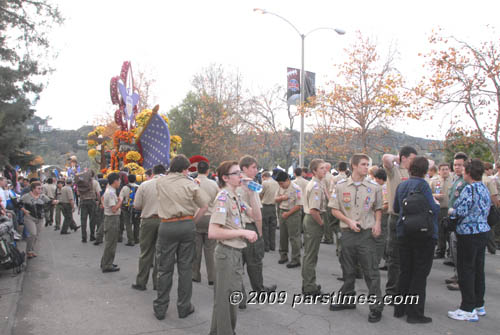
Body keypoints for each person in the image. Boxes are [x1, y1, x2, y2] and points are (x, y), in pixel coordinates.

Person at [153, 154, 209, 320]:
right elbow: (205, 205)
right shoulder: (190, 183)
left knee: (164, 268)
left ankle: (160, 308)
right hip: (186, 225)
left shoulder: (160, 181)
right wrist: (193, 221)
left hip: (167, 225)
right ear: (185, 169)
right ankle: (184, 307)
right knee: (185, 269)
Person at [329, 154, 384, 323]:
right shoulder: (340, 186)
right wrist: (348, 221)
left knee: (371, 271)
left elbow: (378, 207)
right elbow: (334, 209)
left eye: (368, 164)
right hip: (348, 234)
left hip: (366, 234)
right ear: (353, 165)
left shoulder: (374, 187)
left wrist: (378, 224)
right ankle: (347, 299)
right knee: (348, 269)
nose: (366, 167)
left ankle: (376, 307)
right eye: (362, 164)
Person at [207, 161, 259, 335]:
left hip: (235, 253)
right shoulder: (223, 197)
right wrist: (243, 232)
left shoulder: (236, 196)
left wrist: (251, 194)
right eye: (236, 173)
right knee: (225, 300)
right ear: (225, 178)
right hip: (226, 253)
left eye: (240, 173)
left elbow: (255, 215)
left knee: (231, 298)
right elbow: (213, 232)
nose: (241, 176)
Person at [393, 156, 440, 324]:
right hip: (423, 235)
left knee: (405, 271)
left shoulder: (402, 185)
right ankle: (415, 313)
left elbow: (396, 208)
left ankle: (400, 308)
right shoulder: (424, 186)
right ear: (425, 171)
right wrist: (436, 203)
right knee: (420, 273)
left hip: (404, 232)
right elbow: (433, 209)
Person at [447, 159, 491, 321]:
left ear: (469, 173)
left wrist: (451, 211)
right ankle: (479, 304)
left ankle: (467, 308)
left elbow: (460, 211)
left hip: (468, 233)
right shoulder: (484, 188)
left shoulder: (469, 189)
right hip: (482, 231)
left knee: (466, 270)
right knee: (479, 269)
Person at [236, 155, 276, 309]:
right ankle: (258, 291)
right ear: (244, 168)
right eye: (253, 167)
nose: (255, 170)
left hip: (237, 228)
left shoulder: (235, 183)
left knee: (239, 264)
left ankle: (240, 297)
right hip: (249, 226)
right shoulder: (251, 185)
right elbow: (257, 214)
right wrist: (259, 234)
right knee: (254, 262)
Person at [382, 146, 417, 297]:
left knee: (409, 257)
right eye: (412, 159)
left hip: (412, 219)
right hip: (396, 217)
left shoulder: (414, 173)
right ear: (403, 158)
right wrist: (399, 158)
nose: (414, 162)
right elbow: (386, 158)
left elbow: (430, 163)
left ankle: (405, 290)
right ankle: (392, 291)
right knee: (394, 257)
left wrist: (412, 161)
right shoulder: (394, 171)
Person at [132, 164, 165, 291]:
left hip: (148, 220)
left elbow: (137, 205)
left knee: (145, 252)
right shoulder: (168, 185)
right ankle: (158, 283)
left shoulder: (144, 185)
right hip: (164, 220)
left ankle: (141, 282)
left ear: (152, 173)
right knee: (160, 253)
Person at [301, 158, 328, 295]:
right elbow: (313, 210)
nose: (325, 170)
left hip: (311, 219)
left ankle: (308, 284)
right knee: (310, 256)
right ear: (314, 171)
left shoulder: (318, 183)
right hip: (313, 220)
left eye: (325, 167)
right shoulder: (316, 186)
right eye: (321, 168)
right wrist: (322, 224)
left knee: (310, 255)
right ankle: (309, 287)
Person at [192, 161, 219, 285]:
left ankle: (195, 274)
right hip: (210, 218)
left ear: (197, 170)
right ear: (208, 171)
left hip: (196, 217)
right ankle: (212, 277)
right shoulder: (213, 184)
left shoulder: (192, 183)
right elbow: (218, 200)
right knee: (210, 249)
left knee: (196, 249)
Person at [446, 152, 469, 290]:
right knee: (454, 250)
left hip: (461, 219)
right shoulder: (455, 179)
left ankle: (462, 278)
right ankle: (457, 273)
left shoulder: (466, 181)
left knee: (460, 250)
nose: (457, 167)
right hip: (452, 218)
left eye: (460, 165)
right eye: (455, 165)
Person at [19, 181, 58, 258]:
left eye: (41, 188)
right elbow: (18, 204)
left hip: (40, 218)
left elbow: (50, 201)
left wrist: (55, 202)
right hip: (30, 218)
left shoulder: (42, 196)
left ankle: (31, 250)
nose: (40, 190)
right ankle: (28, 251)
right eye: (38, 188)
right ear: (33, 189)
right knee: (32, 233)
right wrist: (24, 210)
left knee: (36, 235)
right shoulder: (26, 196)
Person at [275, 170, 303, 268]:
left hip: (293, 214)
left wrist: (288, 214)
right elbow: (275, 199)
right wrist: (282, 198)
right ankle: (283, 256)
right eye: (279, 184)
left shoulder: (296, 188)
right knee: (282, 236)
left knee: (294, 238)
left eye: (282, 183)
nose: (281, 185)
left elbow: (299, 205)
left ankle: (295, 259)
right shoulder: (279, 187)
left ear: (287, 180)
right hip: (282, 212)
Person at [100, 172, 123, 273]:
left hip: (109, 218)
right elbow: (114, 209)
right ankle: (107, 265)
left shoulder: (109, 191)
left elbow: (102, 199)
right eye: (119, 180)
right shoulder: (111, 192)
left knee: (110, 242)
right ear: (115, 181)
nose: (120, 182)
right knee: (111, 243)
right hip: (112, 218)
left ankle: (106, 262)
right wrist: (120, 201)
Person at [430, 163, 453, 259]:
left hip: (449, 209)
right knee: (440, 231)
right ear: (439, 171)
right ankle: (440, 250)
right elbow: (428, 193)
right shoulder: (434, 181)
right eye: (443, 169)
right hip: (439, 208)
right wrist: (435, 195)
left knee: (449, 231)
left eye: (447, 169)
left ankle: (450, 252)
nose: (445, 171)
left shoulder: (453, 180)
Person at [79, 171, 101, 243]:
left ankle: (84, 237)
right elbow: (98, 193)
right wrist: (98, 201)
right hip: (92, 201)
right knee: (92, 219)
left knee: (83, 220)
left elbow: (77, 192)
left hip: (83, 201)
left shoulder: (81, 182)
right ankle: (92, 236)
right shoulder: (95, 182)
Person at [260, 171, 279, 252]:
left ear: (264, 176)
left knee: (265, 227)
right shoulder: (276, 183)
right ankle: (273, 245)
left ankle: (266, 247)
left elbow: (260, 194)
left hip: (265, 207)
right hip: (274, 207)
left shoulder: (264, 183)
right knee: (272, 227)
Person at [374, 168, 389, 267]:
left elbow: (386, 204)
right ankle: (387, 260)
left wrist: (377, 211)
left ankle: (377, 261)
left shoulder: (384, 188)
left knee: (380, 239)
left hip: (384, 215)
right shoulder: (385, 186)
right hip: (383, 214)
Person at [123, 174, 140, 246]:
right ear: (135, 179)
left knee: (128, 223)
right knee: (136, 224)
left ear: (128, 180)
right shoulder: (139, 187)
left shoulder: (125, 188)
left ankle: (130, 240)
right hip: (136, 208)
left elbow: (121, 197)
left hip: (127, 208)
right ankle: (136, 238)